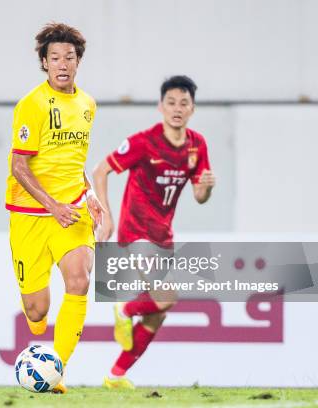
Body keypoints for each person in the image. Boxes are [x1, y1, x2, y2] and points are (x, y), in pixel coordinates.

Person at [92, 76, 215, 389]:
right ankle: (124, 308)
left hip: (164, 235)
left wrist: (206, 189)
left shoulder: (197, 144)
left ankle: (115, 376)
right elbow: (100, 170)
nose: (177, 108)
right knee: (167, 296)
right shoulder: (144, 142)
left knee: (157, 315)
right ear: (161, 106)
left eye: (183, 103)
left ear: (192, 109)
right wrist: (107, 217)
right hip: (137, 232)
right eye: (171, 102)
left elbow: (200, 197)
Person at [5, 22, 105, 393]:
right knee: (36, 311)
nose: (63, 64)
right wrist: (52, 205)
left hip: (72, 211)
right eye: (55, 58)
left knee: (80, 280)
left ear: (79, 62)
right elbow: (19, 166)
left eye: (70, 57)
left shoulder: (87, 104)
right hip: (30, 215)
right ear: (44, 63)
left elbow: (74, 160)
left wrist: (89, 195)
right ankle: (37, 335)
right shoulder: (31, 105)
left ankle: (56, 371)